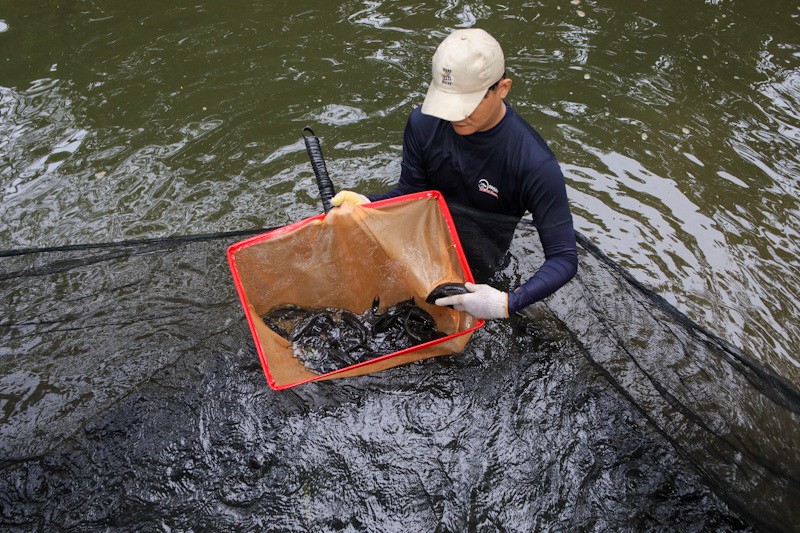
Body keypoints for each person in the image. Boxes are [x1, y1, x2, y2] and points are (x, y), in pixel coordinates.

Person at [331, 28, 578, 320]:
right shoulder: (423, 124)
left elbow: (564, 258)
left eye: (468, 103)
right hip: (419, 258)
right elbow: (411, 193)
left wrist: (505, 302)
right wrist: (367, 204)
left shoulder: (534, 164)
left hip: (480, 277)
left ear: (502, 88)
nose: (456, 115)